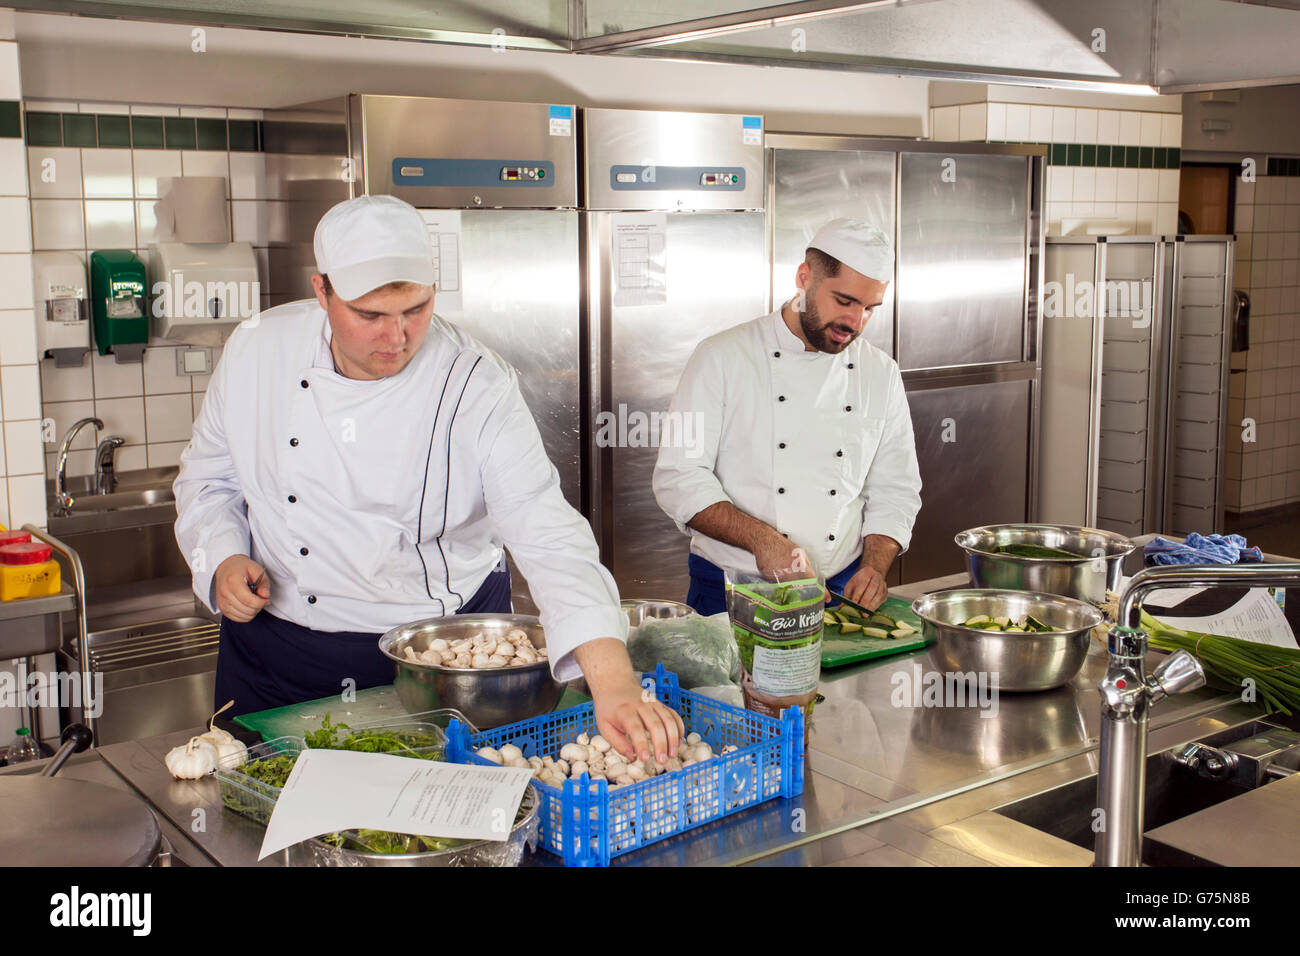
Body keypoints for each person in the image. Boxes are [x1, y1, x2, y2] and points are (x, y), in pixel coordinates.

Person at [175, 195, 681, 763]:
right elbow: (209, 477)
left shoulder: (475, 384)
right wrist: (220, 555)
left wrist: (612, 681)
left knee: (437, 831)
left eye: (416, 309)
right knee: (259, 823)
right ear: (322, 291)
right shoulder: (256, 350)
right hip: (275, 654)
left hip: (432, 665)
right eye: (369, 315)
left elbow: (545, 529)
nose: (397, 337)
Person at [652, 218, 922, 614]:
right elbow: (679, 478)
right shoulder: (720, 358)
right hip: (734, 592)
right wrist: (765, 542)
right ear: (804, 277)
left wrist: (874, 566)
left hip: (838, 595)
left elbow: (895, 489)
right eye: (844, 301)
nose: (855, 322)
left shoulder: (880, 373)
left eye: (869, 308)